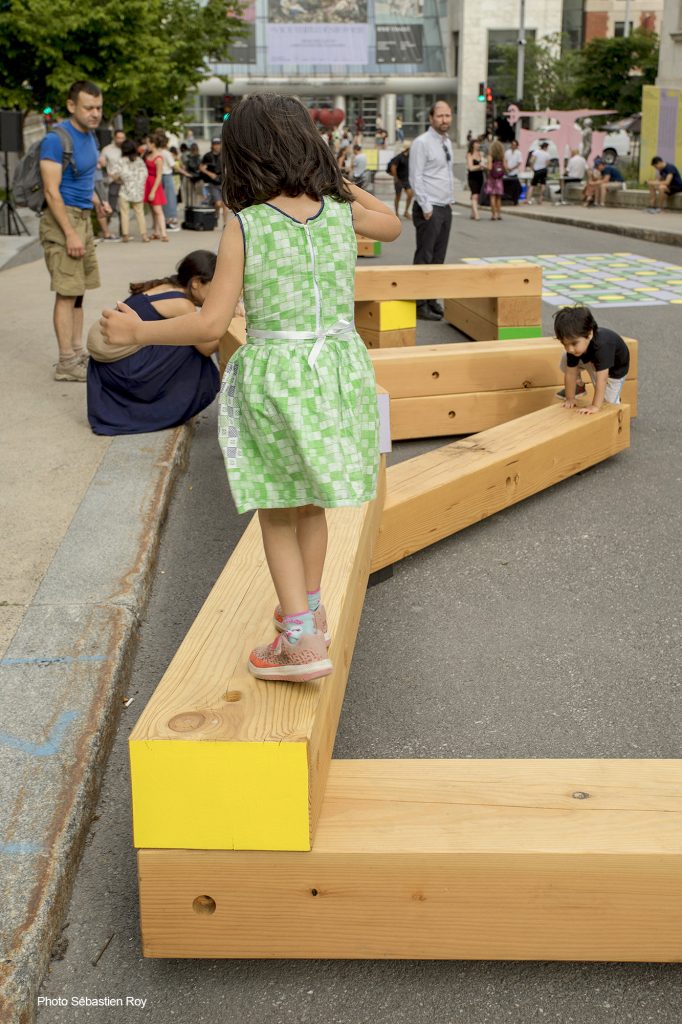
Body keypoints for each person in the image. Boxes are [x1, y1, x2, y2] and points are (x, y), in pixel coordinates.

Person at [100, 93, 401, 683]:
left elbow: (211, 326)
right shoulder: (339, 212)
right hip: (338, 369)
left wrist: (140, 329)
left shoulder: (247, 222)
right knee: (311, 501)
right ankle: (307, 617)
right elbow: (391, 224)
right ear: (309, 145)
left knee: (276, 508)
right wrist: (338, 181)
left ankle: (298, 640)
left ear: (243, 154)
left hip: (278, 373)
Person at [87, 250, 221, 435]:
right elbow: (207, 348)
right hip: (123, 369)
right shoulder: (182, 305)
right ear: (197, 283)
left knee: (184, 337)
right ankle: (168, 407)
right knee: (193, 346)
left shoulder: (165, 286)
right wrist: (228, 321)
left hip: (109, 366)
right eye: (216, 288)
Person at [39, 80, 108, 382]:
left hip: (83, 216)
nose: (95, 113)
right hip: (62, 219)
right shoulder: (56, 140)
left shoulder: (90, 136)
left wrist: (98, 202)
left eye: (99, 108)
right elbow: (52, 191)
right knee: (67, 292)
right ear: (71, 106)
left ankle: (77, 353)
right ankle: (66, 361)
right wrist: (69, 233)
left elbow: (84, 179)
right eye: (88, 108)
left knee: (79, 291)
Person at [408, 100, 454, 321]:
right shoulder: (422, 143)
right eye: (440, 116)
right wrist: (426, 206)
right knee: (424, 256)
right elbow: (415, 176)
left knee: (438, 259)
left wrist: (450, 200)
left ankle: (431, 299)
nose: (444, 120)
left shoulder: (447, 142)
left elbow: (444, 173)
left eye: (448, 116)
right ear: (431, 118)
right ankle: (419, 303)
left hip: (444, 206)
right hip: (429, 208)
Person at [554, 305, 629, 415]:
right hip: (590, 359)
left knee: (607, 402)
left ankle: (616, 406)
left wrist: (595, 406)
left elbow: (602, 380)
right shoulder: (574, 348)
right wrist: (570, 398)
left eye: (574, 343)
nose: (570, 349)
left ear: (589, 334)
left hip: (614, 370)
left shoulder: (602, 346)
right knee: (565, 358)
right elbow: (570, 373)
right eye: (565, 344)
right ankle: (578, 386)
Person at [113, 139, 150, 242]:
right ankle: (144, 235)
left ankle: (125, 235)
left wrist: (121, 180)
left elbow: (115, 175)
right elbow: (145, 174)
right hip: (138, 190)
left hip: (125, 190)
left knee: (124, 213)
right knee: (140, 212)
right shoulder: (139, 161)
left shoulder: (120, 161)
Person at [99, 128, 126, 235]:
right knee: (111, 207)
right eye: (118, 138)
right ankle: (105, 231)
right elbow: (102, 165)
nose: (120, 140)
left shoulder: (127, 148)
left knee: (124, 209)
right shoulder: (107, 149)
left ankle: (124, 232)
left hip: (126, 182)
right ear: (114, 138)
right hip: (113, 182)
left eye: (122, 138)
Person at [143, 131, 168, 241]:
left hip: (154, 185)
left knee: (158, 210)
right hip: (147, 182)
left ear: (153, 144)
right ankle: (156, 232)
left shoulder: (158, 158)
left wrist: (153, 191)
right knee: (153, 210)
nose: (146, 145)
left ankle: (164, 233)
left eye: (148, 143)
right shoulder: (147, 154)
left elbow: (159, 176)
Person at [199, 137, 224, 227]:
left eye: (218, 144)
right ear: (212, 145)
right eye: (215, 144)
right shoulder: (208, 156)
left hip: (224, 182)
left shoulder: (225, 155)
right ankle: (216, 214)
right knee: (218, 203)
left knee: (224, 205)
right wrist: (210, 174)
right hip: (213, 183)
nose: (217, 146)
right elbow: (201, 168)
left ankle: (225, 224)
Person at [157, 131, 180, 230]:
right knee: (170, 198)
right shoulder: (166, 153)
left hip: (159, 176)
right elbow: (174, 166)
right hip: (167, 176)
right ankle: (169, 220)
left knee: (161, 199)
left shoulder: (157, 152)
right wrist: (186, 172)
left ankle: (162, 221)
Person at [387, 143, 412, 218]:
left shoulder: (409, 157)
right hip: (399, 180)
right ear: (408, 149)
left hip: (406, 179)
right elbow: (393, 167)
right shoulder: (399, 157)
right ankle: (396, 213)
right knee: (398, 196)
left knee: (410, 194)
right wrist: (396, 177)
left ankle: (406, 211)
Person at [484, 139, 505, 221]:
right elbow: (505, 167)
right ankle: (499, 214)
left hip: (492, 178)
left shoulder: (490, 156)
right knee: (498, 197)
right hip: (499, 178)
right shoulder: (502, 156)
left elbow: (489, 167)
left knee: (492, 196)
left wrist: (485, 166)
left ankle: (494, 214)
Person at [525, 140, 550, 205]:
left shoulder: (536, 152)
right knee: (543, 184)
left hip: (537, 170)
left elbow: (531, 160)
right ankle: (541, 199)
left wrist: (532, 167)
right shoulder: (547, 154)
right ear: (545, 147)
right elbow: (547, 163)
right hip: (544, 170)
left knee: (532, 185)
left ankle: (528, 199)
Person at [466, 139, 484, 221]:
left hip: (480, 176)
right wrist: (479, 166)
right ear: (473, 145)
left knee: (476, 195)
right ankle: (476, 214)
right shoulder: (469, 154)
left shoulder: (481, 154)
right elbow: (470, 167)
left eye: (479, 143)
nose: (478, 145)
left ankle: (472, 213)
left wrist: (484, 165)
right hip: (472, 177)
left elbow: (484, 164)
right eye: (476, 143)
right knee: (475, 195)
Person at [503, 138, 523, 205]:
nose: (513, 146)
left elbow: (519, 163)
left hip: (514, 172)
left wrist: (512, 168)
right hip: (507, 172)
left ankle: (515, 200)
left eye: (514, 145)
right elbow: (505, 160)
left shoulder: (519, 153)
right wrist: (506, 168)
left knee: (516, 187)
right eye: (512, 144)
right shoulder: (507, 152)